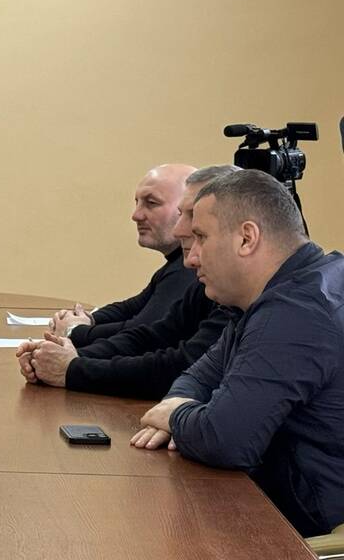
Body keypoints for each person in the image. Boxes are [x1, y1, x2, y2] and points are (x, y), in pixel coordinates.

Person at [131, 170, 344, 537]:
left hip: (302, 527)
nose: (191, 259)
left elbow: (226, 440)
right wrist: (186, 408)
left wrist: (176, 416)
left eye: (201, 237)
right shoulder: (288, 289)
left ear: (247, 238)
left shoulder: (295, 313)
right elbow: (198, 375)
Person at [18, 166, 239, 399]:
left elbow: (183, 365)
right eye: (181, 213)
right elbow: (151, 335)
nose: (180, 229)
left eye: (192, 215)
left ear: (246, 237)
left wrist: (72, 366)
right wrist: (63, 356)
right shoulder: (203, 281)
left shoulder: (236, 294)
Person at [50, 164, 198, 345]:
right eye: (137, 203)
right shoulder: (176, 263)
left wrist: (75, 330)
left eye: (151, 203)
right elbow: (132, 307)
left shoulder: (189, 269)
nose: (136, 215)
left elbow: (142, 331)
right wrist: (87, 318)